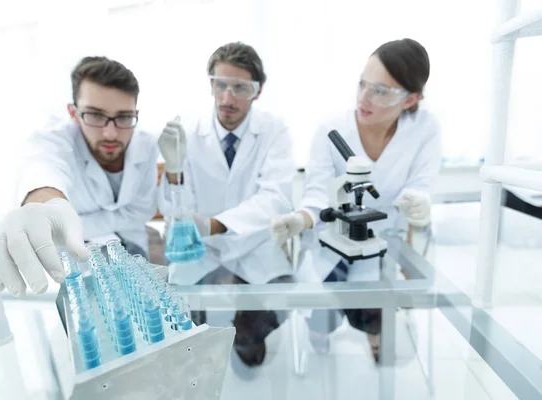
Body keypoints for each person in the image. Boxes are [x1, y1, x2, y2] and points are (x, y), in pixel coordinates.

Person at [271, 38, 442, 362]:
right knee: (323, 312)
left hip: (386, 241)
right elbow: (318, 193)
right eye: (362, 84)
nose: (363, 98)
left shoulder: (425, 129)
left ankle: (375, 334)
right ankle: (320, 331)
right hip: (330, 239)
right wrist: (300, 219)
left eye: (380, 91)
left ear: (411, 99)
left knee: (378, 314)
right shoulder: (331, 130)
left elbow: (420, 184)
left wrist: (418, 202)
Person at [157, 42, 295, 372]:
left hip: (254, 245)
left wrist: (216, 224)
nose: (227, 98)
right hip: (200, 250)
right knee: (186, 327)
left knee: (262, 320)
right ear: (211, 84)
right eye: (220, 85)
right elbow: (173, 209)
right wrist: (173, 170)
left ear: (257, 92)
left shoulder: (274, 131)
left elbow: (275, 198)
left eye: (240, 88)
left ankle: (247, 338)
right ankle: (199, 350)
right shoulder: (188, 132)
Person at [0, 56, 158, 297]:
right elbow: (43, 171)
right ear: (73, 112)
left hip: (137, 251)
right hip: (83, 263)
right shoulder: (52, 140)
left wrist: (78, 223)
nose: (110, 132)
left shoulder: (145, 145)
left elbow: (141, 212)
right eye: (95, 115)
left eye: (124, 117)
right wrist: (47, 207)